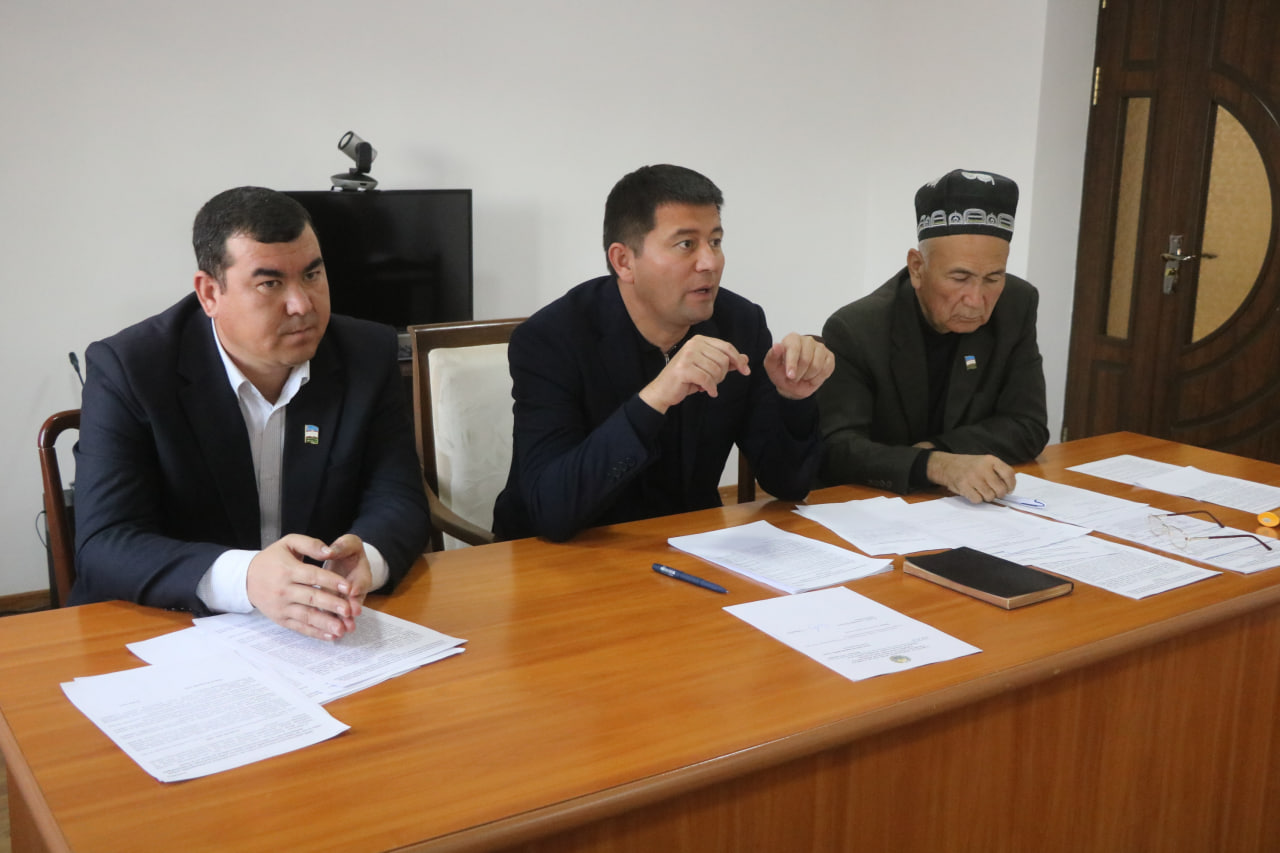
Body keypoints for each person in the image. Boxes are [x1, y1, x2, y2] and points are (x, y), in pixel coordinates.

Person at [70, 187, 431, 640]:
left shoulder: (365, 353)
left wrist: (367, 560)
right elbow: (105, 542)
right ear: (209, 293)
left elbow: (399, 497)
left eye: (313, 275)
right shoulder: (131, 368)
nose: (302, 305)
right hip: (168, 627)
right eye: (270, 284)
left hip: (317, 629)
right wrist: (246, 578)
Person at [492, 164, 834, 542]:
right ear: (624, 261)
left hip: (691, 546)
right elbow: (550, 510)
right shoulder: (551, 340)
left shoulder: (741, 324)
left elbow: (789, 484)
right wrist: (654, 398)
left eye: (715, 241)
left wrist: (793, 399)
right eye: (686, 244)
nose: (710, 262)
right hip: (563, 554)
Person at [817, 168, 1048, 503]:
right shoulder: (857, 329)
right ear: (917, 268)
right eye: (959, 278)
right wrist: (935, 466)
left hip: (966, 505)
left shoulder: (1017, 304)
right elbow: (838, 449)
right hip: (878, 503)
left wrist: (939, 451)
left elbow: (1029, 425)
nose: (976, 300)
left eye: (993, 278)